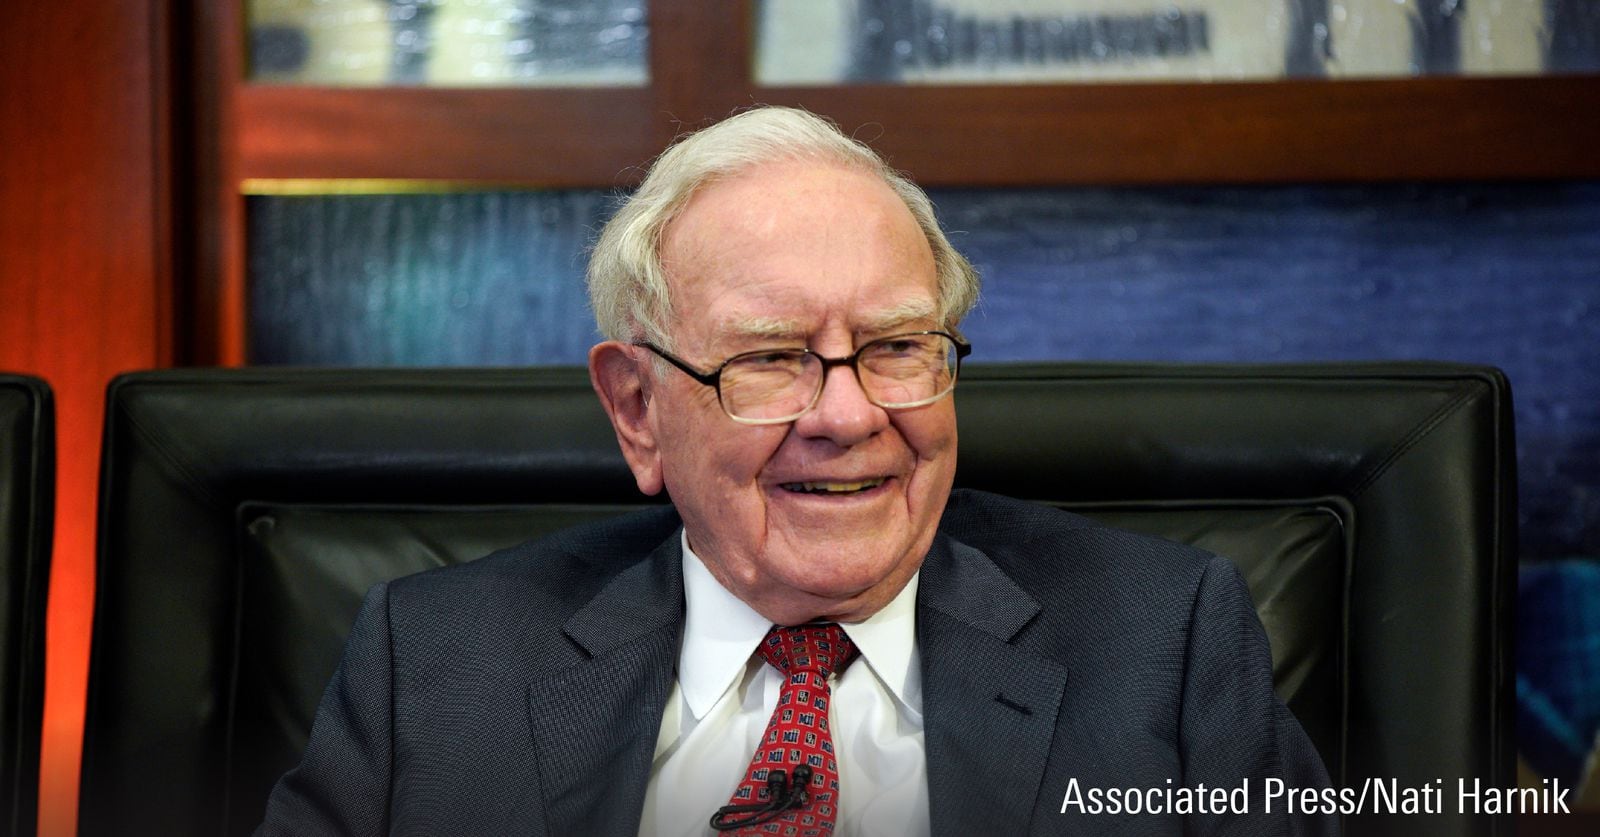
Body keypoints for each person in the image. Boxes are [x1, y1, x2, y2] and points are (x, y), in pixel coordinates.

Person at [257, 106, 1335, 836]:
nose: (850, 414)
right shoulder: (436, 661)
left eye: (898, 347)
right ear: (637, 409)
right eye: (771, 358)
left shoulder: (1164, 639)